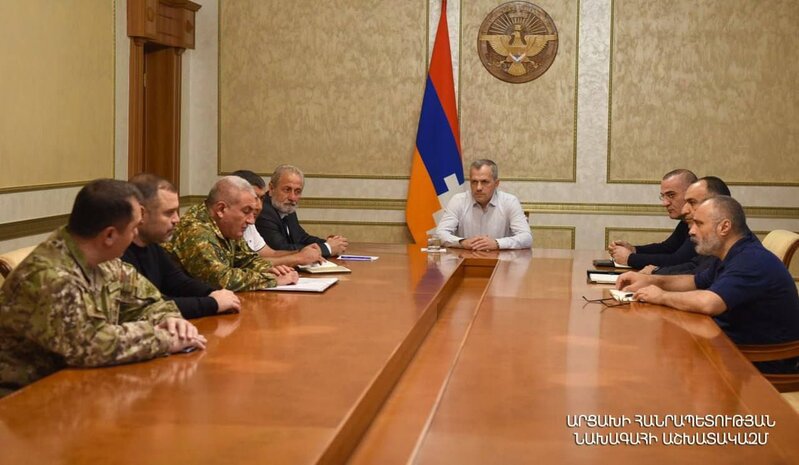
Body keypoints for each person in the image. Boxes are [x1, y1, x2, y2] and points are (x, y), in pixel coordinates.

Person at [0, 179, 206, 396]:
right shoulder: (52, 277)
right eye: (134, 228)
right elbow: (92, 344)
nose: (136, 235)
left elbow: (148, 301)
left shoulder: (105, 261)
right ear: (109, 235)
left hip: (78, 385)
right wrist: (164, 339)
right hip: (24, 398)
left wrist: (170, 321)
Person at [616, 196, 799, 373]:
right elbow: (695, 281)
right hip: (730, 345)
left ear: (724, 227)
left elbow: (710, 303)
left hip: (762, 361)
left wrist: (662, 296)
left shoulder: (751, 260)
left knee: (656, 362)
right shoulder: (730, 252)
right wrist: (650, 280)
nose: (691, 231)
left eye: (699, 224)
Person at [123, 174, 241, 319]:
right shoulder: (119, 253)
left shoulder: (152, 246)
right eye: (169, 213)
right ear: (141, 214)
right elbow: (151, 307)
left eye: (176, 211)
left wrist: (213, 293)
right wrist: (213, 303)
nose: (177, 219)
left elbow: (179, 283)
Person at [166, 176, 299, 291]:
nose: (251, 221)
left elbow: (247, 259)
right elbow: (220, 280)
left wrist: (269, 269)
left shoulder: (227, 227)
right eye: (246, 211)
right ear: (221, 209)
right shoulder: (195, 230)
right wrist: (271, 280)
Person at [230, 170, 323, 265]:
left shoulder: (250, 223)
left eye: (261, 198)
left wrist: (302, 252)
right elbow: (244, 265)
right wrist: (298, 258)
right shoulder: (225, 231)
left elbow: (270, 254)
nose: (259, 206)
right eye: (254, 198)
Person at [608, 169, 697, 268]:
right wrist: (634, 250)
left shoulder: (700, 223)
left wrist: (630, 258)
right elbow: (667, 248)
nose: (665, 203)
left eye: (671, 195)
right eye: (663, 196)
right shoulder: (685, 222)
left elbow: (678, 261)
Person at [437, 159, 532, 250]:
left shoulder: (509, 202)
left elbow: (526, 238)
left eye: (484, 182)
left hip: (500, 259)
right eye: (474, 182)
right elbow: (440, 234)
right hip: (466, 258)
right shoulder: (458, 201)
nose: (478, 188)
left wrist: (497, 243)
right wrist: (462, 242)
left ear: (496, 183)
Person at [644, 176, 731, 276]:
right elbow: (695, 267)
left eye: (692, 202)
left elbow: (699, 278)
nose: (684, 210)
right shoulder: (715, 245)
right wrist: (656, 272)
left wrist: (655, 273)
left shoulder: (740, 256)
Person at [256, 165, 348, 258]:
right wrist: (327, 248)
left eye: (297, 191)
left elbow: (301, 238)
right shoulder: (263, 211)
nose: (292, 197)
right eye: (287, 190)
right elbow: (280, 249)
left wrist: (330, 243)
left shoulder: (286, 207)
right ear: (271, 188)